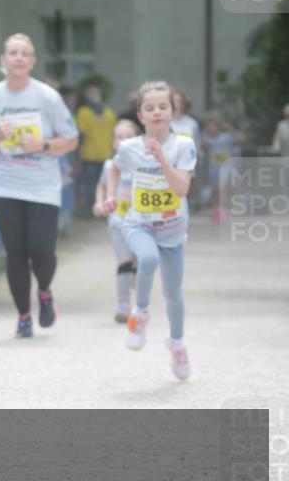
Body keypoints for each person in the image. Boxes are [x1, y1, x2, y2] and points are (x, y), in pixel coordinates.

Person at [0, 33, 79, 338]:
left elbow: (70, 140)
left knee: (42, 250)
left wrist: (41, 144)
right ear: (3, 61)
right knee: (15, 252)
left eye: (24, 53)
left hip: (43, 185)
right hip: (3, 185)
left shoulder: (47, 97)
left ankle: (44, 290)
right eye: (13, 53)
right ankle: (23, 316)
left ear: (32, 62)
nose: (18, 58)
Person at [104, 81, 196, 380]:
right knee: (147, 259)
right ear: (140, 115)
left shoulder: (183, 145)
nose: (157, 112)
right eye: (149, 108)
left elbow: (181, 188)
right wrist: (111, 195)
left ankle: (177, 344)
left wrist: (161, 159)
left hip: (172, 229)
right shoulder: (130, 147)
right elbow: (114, 168)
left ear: (173, 111)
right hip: (139, 224)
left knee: (173, 294)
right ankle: (140, 313)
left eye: (163, 106)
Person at [93, 119, 141, 323]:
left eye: (128, 137)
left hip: (141, 222)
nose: (123, 141)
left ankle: (141, 303)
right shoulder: (109, 165)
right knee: (124, 262)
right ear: (113, 143)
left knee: (139, 263)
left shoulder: (144, 164)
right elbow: (102, 185)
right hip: (117, 222)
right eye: (119, 137)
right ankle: (123, 305)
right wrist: (99, 202)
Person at [76, 83, 118, 218]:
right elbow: (80, 134)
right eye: (91, 93)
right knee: (90, 185)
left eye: (96, 92)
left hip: (106, 155)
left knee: (107, 184)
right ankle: (92, 211)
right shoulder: (83, 112)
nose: (94, 95)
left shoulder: (109, 113)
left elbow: (114, 134)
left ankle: (106, 211)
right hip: (89, 155)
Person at [199, 115, 242, 222]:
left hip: (226, 166)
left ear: (218, 127)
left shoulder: (226, 136)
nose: (211, 129)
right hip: (212, 168)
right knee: (215, 189)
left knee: (221, 187)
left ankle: (223, 209)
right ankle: (216, 209)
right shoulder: (206, 138)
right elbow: (198, 147)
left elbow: (240, 137)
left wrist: (228, 127)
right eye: (209, 127)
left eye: (213, 126)